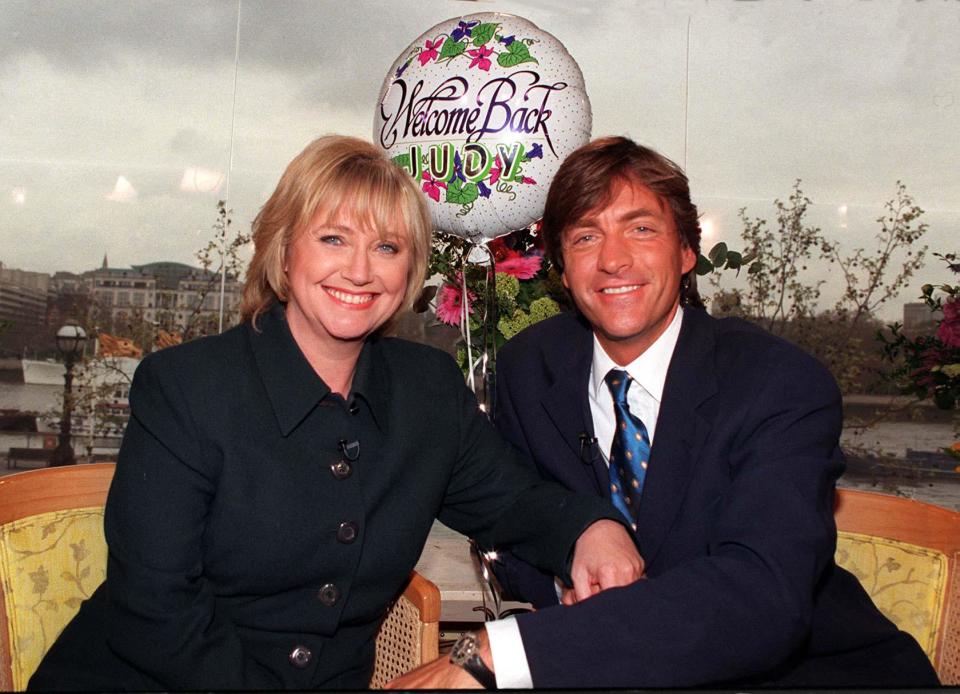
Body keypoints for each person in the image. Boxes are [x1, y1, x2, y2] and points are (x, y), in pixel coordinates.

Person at [28, 135, 642, 690]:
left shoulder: (426, 389)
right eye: (333, 239)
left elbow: (514, 501)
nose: (359, 270)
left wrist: (591, 529)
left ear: (409, 273)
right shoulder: (186, 387)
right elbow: (155, 606)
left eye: (387, 247)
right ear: (284, 252)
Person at [389, 137, 940, 688]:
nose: (613, 259)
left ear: (686, 251)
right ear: (560, 269)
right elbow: (518, 524)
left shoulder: (777, 382)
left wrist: (500, 655)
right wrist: (571, 575)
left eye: (641, 228)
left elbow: (761, 595)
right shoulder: (528, 369)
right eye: (586, 236)